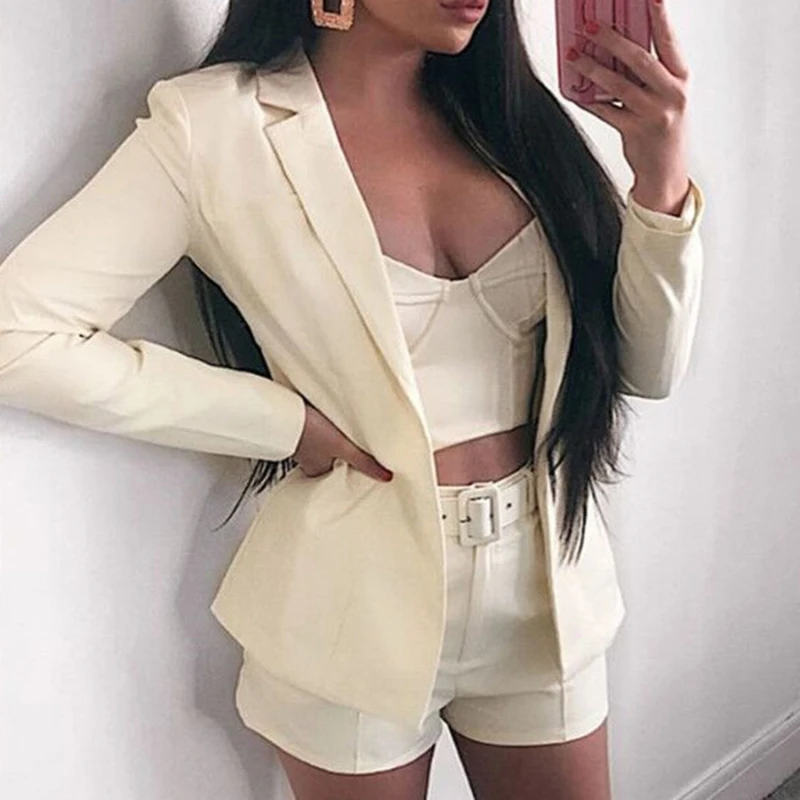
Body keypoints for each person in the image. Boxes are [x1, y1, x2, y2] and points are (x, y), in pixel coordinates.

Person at [0, 0, 705, 797]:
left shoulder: (511, 119)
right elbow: (19, 334)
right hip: (350, 609)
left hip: (545, 594)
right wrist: (282, 423)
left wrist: (659, 176)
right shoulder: (214, 128)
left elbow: (647, 370)